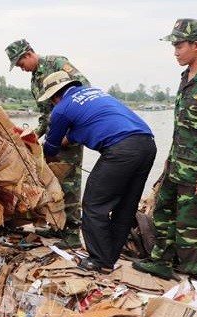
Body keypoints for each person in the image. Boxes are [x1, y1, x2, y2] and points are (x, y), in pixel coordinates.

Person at [133, 19, 197, 280]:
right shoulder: (185, 77)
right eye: (174, 45)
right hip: (176, 163)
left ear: (196, 45)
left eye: (179, 45)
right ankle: (161, 262)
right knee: (163, 213)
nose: (175, 51)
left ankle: (193, 274)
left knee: (191, 225)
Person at [39, 71, 157, 273]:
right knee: (125, 207)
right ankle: (108, 259)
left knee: (94, 205)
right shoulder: (93, 94)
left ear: (54, 97)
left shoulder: (61, 110)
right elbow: (74, 136)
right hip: (147, 144)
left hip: (121, 150)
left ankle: (98, 260)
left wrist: (42, 165)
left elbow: (51, 148)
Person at [5, 39, 90, 248]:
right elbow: (45, 116)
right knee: (53, 182)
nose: (21, 69)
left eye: (20, 64)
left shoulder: (57, 63)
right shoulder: (35, 82)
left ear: (29, 54)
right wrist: (32, 135)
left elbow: (84, 90)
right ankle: (57, 225)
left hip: (69, 134)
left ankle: (71, 233)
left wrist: (71, 130)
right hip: (54, 135)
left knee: (70, 183)